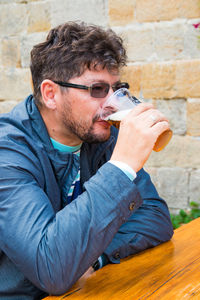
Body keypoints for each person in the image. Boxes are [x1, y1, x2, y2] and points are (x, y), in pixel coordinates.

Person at [0, 21, 173, 299]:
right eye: (97, 90)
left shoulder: (98, 135)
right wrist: (121, 168)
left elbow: (155, 216)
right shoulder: (7, 153)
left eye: (117, 89)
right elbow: (51, 269)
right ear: (51, 93)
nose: (111, 103)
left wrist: (92, 258)